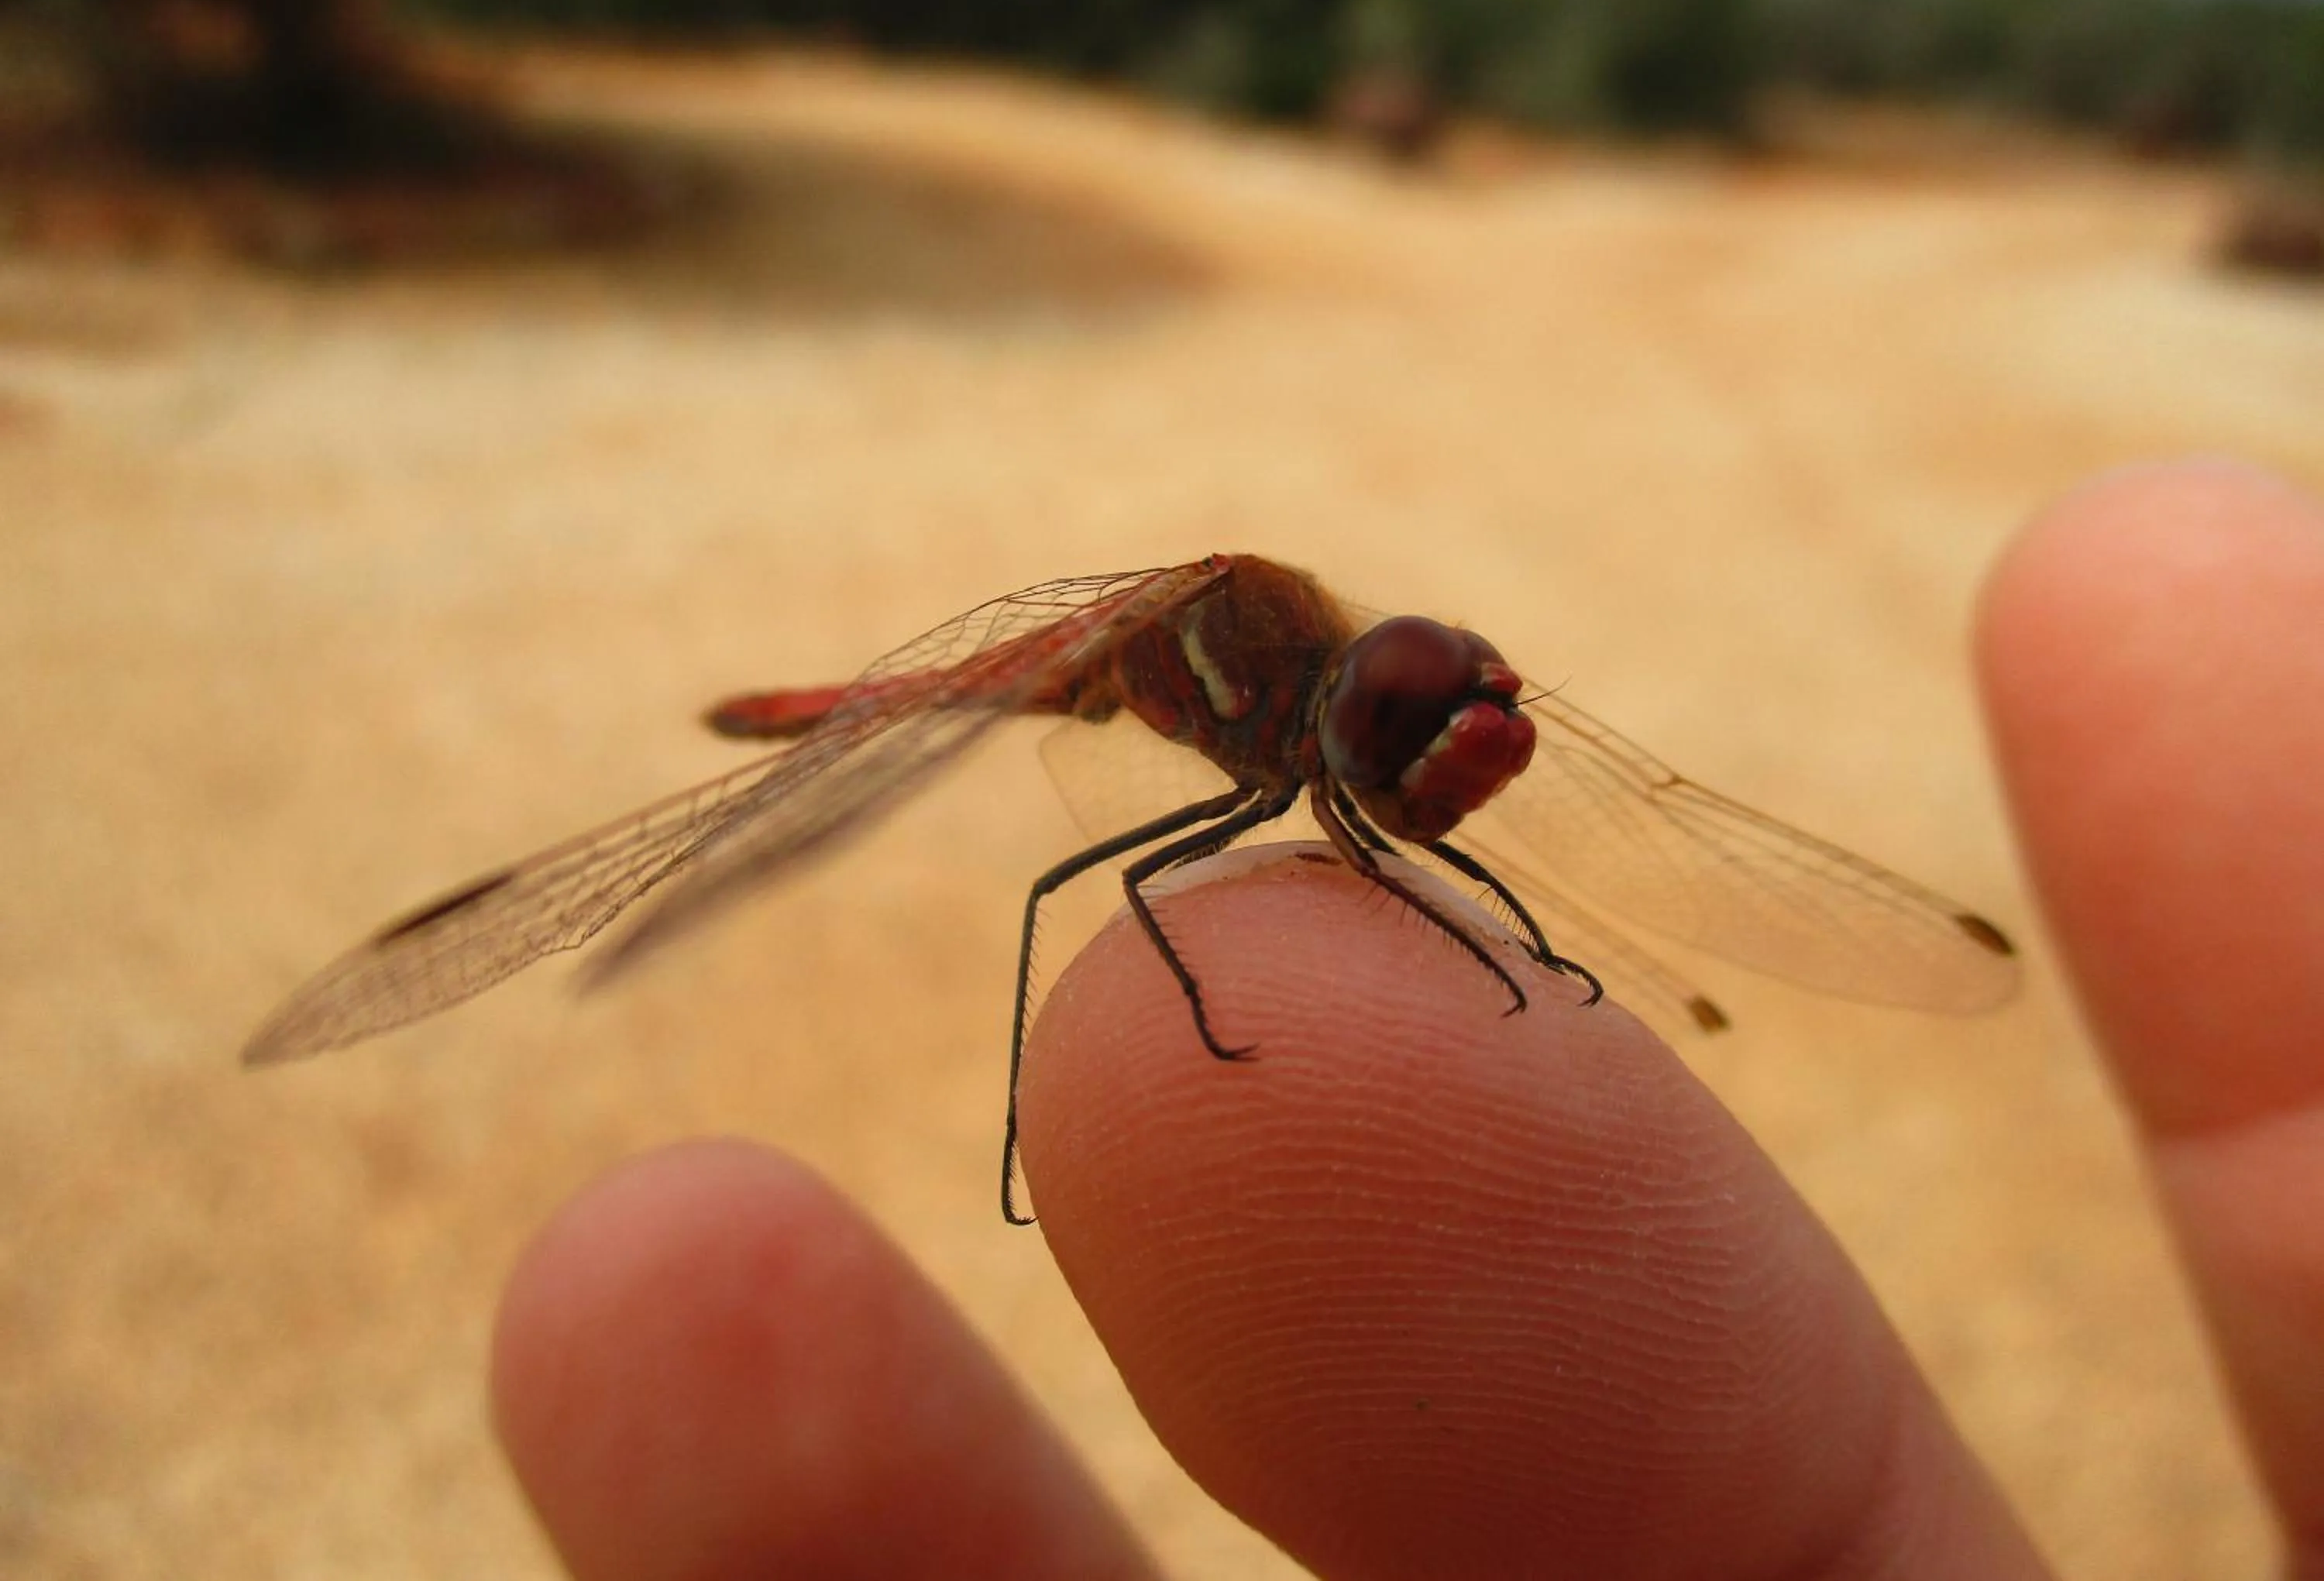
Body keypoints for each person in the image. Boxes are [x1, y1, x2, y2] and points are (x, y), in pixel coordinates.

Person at [489, 459, 2324, 1580]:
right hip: (913, 727)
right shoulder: (1239, 683)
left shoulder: (1344, 689)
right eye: (1410, 729)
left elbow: (1464, 813)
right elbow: (1272, 848)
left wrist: (1522, 906)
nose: (1442, 757)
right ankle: (1015, 1129)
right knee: (1097, 889)